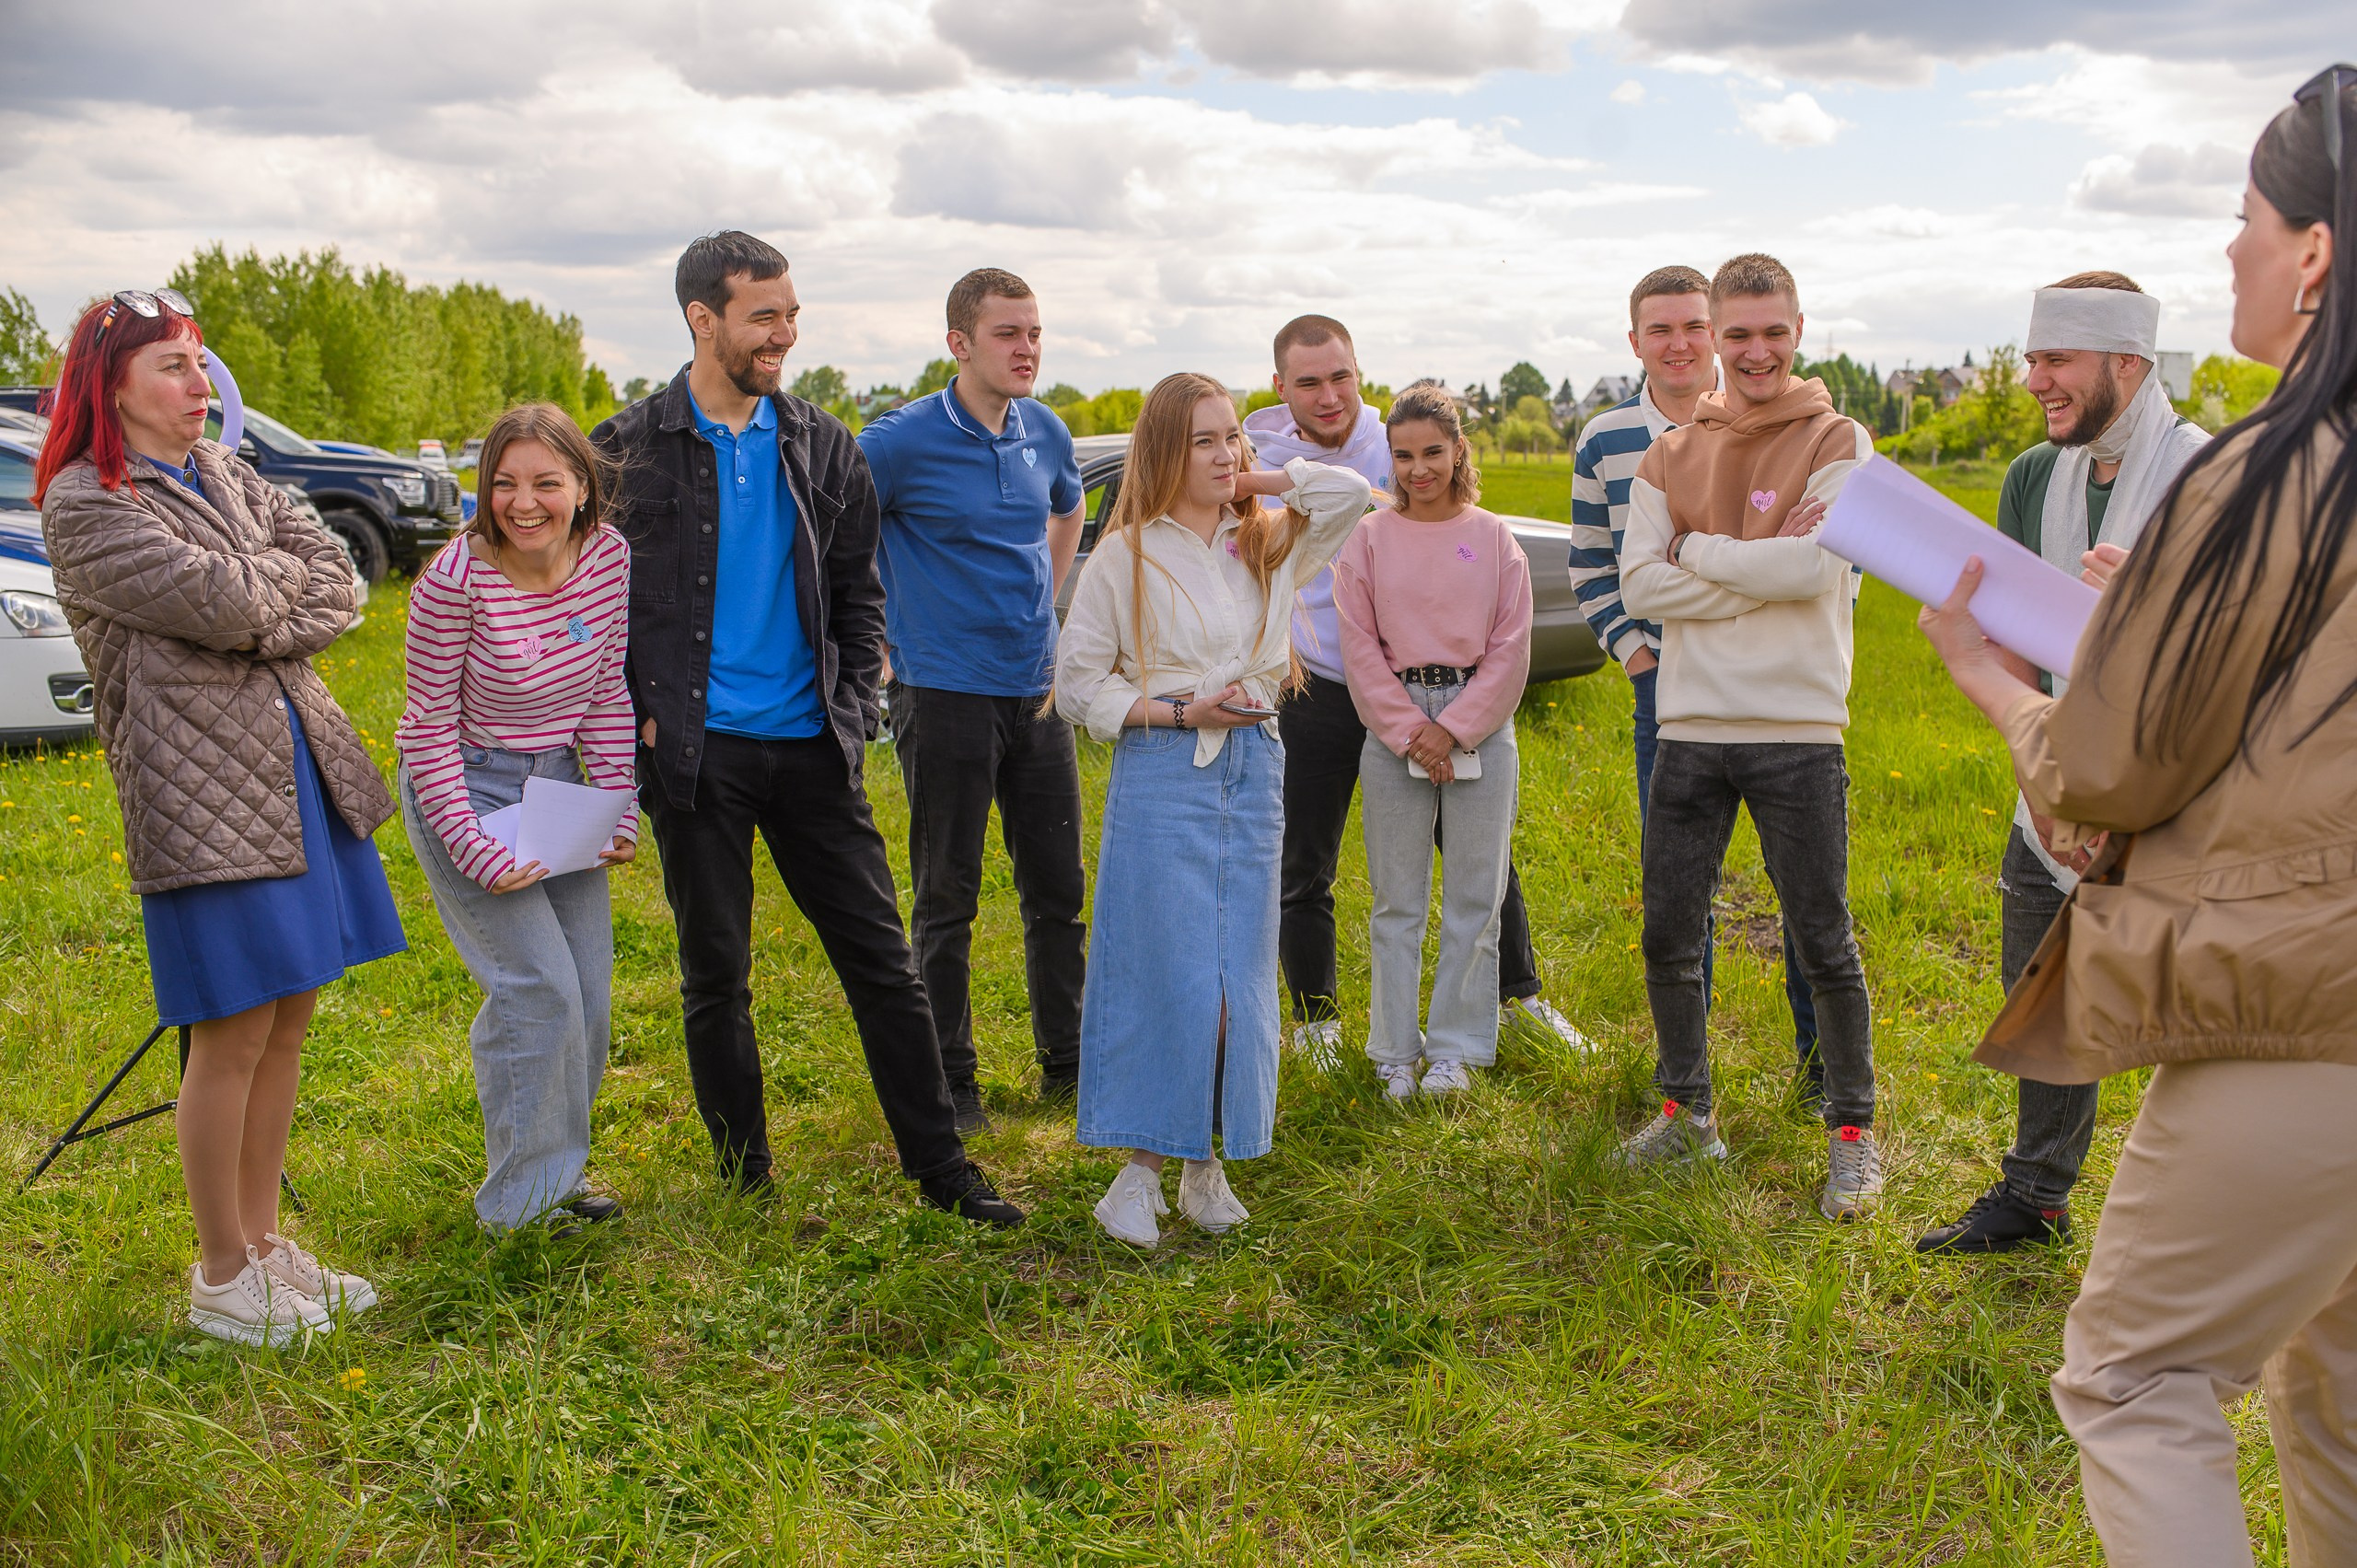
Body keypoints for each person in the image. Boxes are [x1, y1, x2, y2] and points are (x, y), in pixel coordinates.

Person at [1919, 65, 2357, 1564]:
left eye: (2245, 219)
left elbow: (2109, 774)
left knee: (2138, 1374)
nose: (2227, 252)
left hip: (2309, 1005)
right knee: (2341, 1392)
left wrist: (1995, 673)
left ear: (2312, 255)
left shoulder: (2269, 469)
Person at [593, 231, 1020, 1226]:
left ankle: (942, 1167)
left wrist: (857, 702)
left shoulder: (822, 443)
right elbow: (596, 600)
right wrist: (638, 718)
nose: (783, 333)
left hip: (812, 747)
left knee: (883, 961)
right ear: (704, 320)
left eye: (790, 313)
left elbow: (857, 592)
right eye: (763, 316)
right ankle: (746, 1180)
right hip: (692, 754)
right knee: (716, 973)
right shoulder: (622, 449)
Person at [37, 288, 402, 1345]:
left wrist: (267, 592)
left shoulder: (227, 472)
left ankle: (266, 1243)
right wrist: (267, 594)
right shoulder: (87, 500)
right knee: (231, 1027)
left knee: (289, 1013)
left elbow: (338, 578)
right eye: (172, 368)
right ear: (110, 387)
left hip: (295, 772)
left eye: (201, 365)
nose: (200, 387)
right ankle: (220, 1275)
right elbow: (233, 605)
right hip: (200, 793)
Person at [1914, 273, 2208, 1257]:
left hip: (2178, 798)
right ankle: (2035, 1196)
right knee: (2041, 993)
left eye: (2056, 360)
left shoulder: (2210, 479)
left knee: (2190, 1013)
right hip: (2048, 779)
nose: (2033, 377)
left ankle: (2200, 1218)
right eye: (2033, 356)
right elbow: (2005, 635)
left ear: (2128, 363)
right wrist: (2042, 781)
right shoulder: (2034, 477)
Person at [1053, 372, 1370, 1246]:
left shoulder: (1267, 541)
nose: (1227, 452)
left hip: (1255, 770)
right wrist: (1179, 711)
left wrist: (1256, 480)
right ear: (1163, 450)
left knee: (1237, 980)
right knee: (1176, 976)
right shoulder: (1127, 555)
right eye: (1204, 439)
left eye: (1234, 434)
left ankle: (1205, 1168)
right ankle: (1137, 1174)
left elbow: (1350, 492)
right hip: (1166, 771)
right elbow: (1079, 686)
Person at [1613, 252, 1883, 1223]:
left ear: (1799, 329)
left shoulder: (1838, 438)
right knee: (1668, 934)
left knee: (1822, 939)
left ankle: (1852, 1134)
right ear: (1715, 338)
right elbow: (1639, 584)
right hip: (1690, 727)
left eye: (1773, 332)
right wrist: (1749, 565)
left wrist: (1698, 550)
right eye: (1737, 334)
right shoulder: (1670, 453)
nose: (1755, 351)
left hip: (1798, 729)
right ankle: (1689, 1116)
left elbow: (1814, 571)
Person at [1243, 316, 1586, 1067]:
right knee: (1307, 858)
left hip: (1433, 684)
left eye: (1342, 377)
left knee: (1480, 860)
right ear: (1282, 388)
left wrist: (1448, 722)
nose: (1330, 396)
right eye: (1309, 382)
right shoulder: (1257, 454)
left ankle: (1518, 995)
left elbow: (1494, 609)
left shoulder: (1396, 431)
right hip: (1318, 679)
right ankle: (1319, 1019)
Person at [1570, 266, 1823, 1104]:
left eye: (1693, 326)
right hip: (1667, 688)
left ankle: (1818, 1062)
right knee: (1681, 892)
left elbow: (1813, 571)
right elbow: (1597, 569)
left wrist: (1695, 563)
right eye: (1660, 329)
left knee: (1803, 890)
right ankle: (1688, 1069)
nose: (1680, 343)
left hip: (1776, 681)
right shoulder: (1607, 441)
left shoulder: (1771, 428)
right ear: (1634, 340)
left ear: (1713, 332)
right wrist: (1639, 656)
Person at [395, 404, 638, 1236]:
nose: (523, 502)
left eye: (545, 482)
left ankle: (557, 1174)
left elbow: (606, 691)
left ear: (581, 485)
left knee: (590, 997)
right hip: (464, 787)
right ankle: (521, 1211)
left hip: (559, 785)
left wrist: (617, 806)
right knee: (536, 989)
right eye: (504, 483)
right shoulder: (454, 581)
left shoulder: (608, 558)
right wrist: (471, 845)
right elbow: (424, 726)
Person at [858, 269, 1087, 1131]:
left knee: (1056, 892)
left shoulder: (1046, 430)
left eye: (1034, 332)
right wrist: (874, 633)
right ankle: (953, 1083)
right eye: (1007, 334)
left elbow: (1066, 511)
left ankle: (1067, 1065)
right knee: (946, 897)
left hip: (1037, 691)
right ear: (958, 342)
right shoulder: (899, 441)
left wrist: (1047, 593)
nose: (1026, 348)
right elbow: (838, 531)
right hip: (942, 691)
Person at [1332, 387, 1532, 1098]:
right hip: (1396, 719)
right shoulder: (1370, 538)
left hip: (1478, 714)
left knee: (1477, 890)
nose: (1419, 469)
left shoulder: (1493, 537)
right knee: (1397, 897)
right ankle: (1394, 1045)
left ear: (1457, 452)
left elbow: (1511, 645)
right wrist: (1410, 729)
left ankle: (1455, 1047)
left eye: (1433, 453)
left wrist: (1455, 727)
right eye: (1404, 455)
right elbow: (1357, 644)